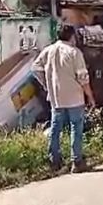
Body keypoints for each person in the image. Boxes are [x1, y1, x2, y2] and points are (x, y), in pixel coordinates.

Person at [32, 23, 96, 173]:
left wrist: (46, 84)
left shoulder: (48, 51)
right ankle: (77, 162)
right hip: (74, 97)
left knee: (55, 128)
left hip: (56, 97)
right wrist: (90, 96)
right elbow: (83, 78)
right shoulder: (75, 53)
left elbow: (35, 68)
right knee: (76, 127)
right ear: (72, 36)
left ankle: (54, 161)